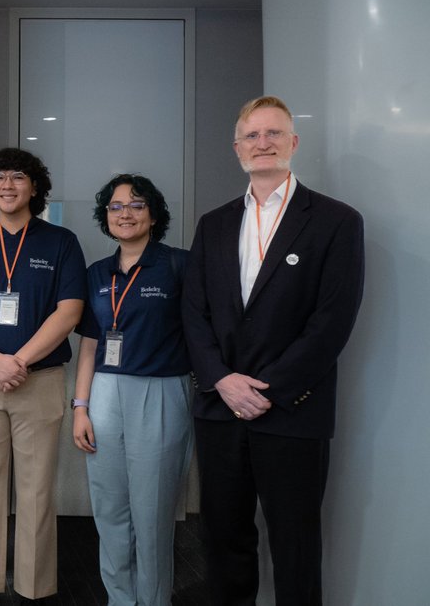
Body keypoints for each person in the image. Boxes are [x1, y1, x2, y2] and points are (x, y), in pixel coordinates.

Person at [182, 95, 364, 606]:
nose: (263, 143)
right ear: (237, 147)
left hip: (291, 410)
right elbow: (194, 313)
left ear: (293, 143)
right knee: (223, 540)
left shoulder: (336, 221)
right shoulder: (213, 223)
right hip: (220, 408)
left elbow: (332, 322)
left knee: (296, 545)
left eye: (274, 133)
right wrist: (222, 380)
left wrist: (269, 390)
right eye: (252, 136)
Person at [0, 147, 85, 606]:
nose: (8, 185)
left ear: (34, 186)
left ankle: (34, 587)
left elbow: (69, 311)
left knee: (36, 490)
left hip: (39, 381)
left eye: (18, 177)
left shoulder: (60, 242)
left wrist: (17, 360)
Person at [71, 174, 192, 606]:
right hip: (103, 393)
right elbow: (89, 342)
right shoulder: (97, 273)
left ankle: (153, 599)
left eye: (136, 204)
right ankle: (120, 598)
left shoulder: (179, 264)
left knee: (152, 512)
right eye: (116, 206)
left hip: (161, 393)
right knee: (110, 509)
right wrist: (80, 406)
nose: (125, 213)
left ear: (153, 214)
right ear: (106, 217)